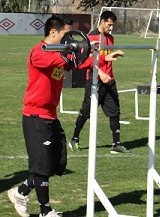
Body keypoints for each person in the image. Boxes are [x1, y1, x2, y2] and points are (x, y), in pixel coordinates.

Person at [7, 15, 122, 217]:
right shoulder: (39, 52)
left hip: (50, 115)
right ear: (53, 33)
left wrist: (102, 58)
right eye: (65, 35)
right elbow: (59, 60)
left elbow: (76, 63)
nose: (68, 39)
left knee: (57, 163)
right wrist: (73, 51)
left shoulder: (60, 54)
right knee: (42, 167)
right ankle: (46, 211)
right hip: (35, 116)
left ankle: (21, 191)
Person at [69, 11, 131, 154]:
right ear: (102, 21)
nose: (111, 28)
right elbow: (87, 61)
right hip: (94, 80)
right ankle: (74, 139)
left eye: (113, 25)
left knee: (115, 111)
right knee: (86, 112)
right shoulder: (90, 37)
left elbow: (106, 58)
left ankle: (116, 144)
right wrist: (101, 73)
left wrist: (113, 56)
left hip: (109, 80)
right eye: (109, 25)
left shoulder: (111, 38)